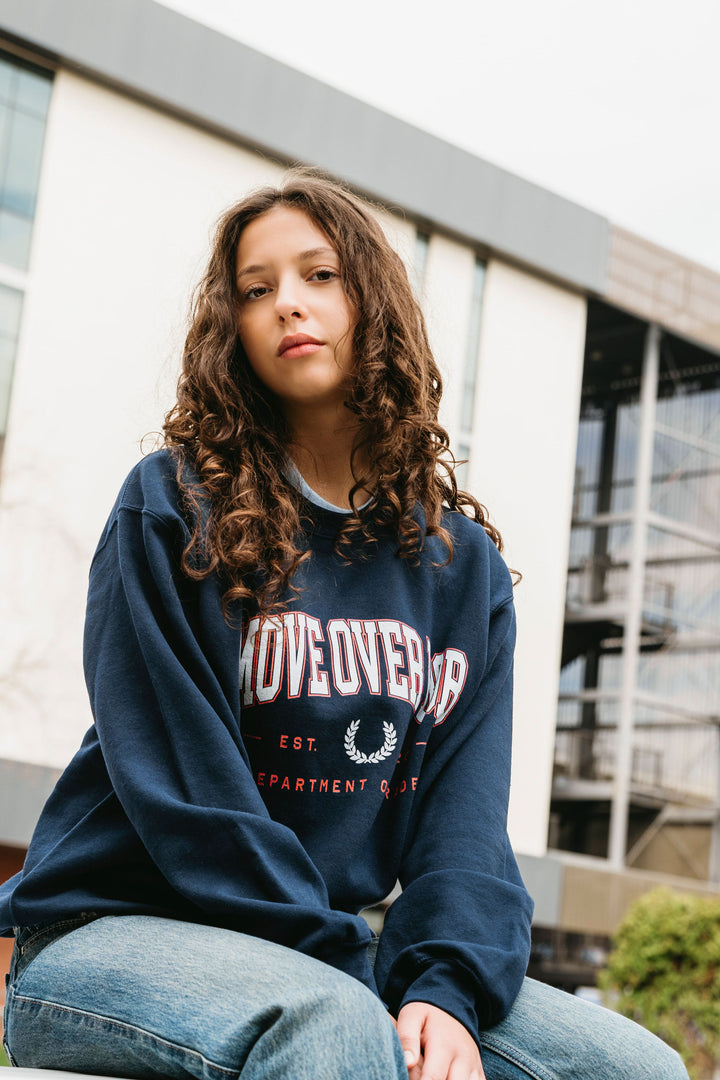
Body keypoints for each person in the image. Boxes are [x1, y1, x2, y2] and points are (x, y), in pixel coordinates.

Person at [1, 171, 688, 1080]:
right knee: (338, 1027)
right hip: (110, 934)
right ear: (234, 329)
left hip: (319, 953)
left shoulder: (461, 572)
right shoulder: (173, 508)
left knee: (632, 1067)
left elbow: (464, 828)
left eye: (319, 275)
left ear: (374, 301)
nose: (288, 303)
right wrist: (355, 974)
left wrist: (443, 987)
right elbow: (187, 796)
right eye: (256, 290)